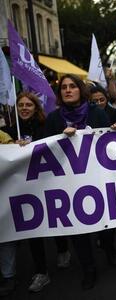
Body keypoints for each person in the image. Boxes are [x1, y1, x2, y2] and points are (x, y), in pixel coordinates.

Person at [45, 74, 116, 289]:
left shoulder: (96, 113)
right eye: (64, 88)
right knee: (78, 230)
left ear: (80, 90)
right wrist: (60, 137)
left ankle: (109, 247)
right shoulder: (54, 119)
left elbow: (108, 144)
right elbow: (44, 150)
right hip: (70, 185)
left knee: (105, 226)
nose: (68, 90)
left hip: (98, 180)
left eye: (72, 86)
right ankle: (89, 268)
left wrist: (114, 131)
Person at [4, 92, 71, 292]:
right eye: (20, 105)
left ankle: (62, 249)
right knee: (33, 229)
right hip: (24, 188)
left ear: (36, 108)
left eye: (28, 105)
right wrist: (11, 147)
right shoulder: (8, 131)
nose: (24, 108)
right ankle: (42, 272)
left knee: (54, 220)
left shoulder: (46, 127)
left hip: (48, 183)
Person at [0, 130, 15, 297]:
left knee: (4, 236)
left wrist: (19, 148)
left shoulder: (3, 137)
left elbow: (13, 154)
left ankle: (9, 276)